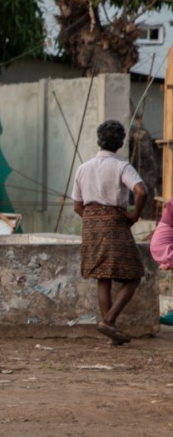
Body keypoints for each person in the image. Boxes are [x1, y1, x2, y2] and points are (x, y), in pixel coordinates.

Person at [72, 120, 147, 345]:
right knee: (134, 275)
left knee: (103, 278)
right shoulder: (122, 166)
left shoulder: (83, 168)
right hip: (115, 222)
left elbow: (77, 205)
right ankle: (109, 320)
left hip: (91, 224)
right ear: (121, 142)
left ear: (98, 140)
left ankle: (112, 332)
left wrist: (94, 221)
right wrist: (134, 216)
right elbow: (141, 192)